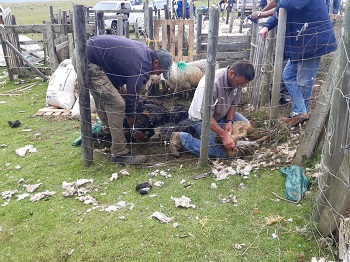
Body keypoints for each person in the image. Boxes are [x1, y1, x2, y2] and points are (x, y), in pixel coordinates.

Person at [85, 35, 172, 164]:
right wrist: (134, 130)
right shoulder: (142, 67)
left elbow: (116, 63)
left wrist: (119, 85)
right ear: (156, 62)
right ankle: (119, 153)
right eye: (160, 70)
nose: (158, 74)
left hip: (89, 53)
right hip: (88, 60)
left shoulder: (145, 53)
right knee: (117, 104)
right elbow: (131, 101)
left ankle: (110, 133)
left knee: (106, 97)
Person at [259, 0, 337, 126]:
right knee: (288, 75)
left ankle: (300, 114)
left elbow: (289, 4)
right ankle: (300, 112)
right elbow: (282, 10)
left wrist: (267, 11)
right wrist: (266, 25)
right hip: (301, 41)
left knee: (304, 82)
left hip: (312, 40)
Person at [170, 60, 255, 159]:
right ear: (231, 73)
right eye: (240, 83)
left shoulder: (237, 81)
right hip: (202, 119)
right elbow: (206, 116)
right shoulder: (212, 84)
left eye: (243, 85)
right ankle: (182, 138)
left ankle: (220, 133)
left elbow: (233, 103)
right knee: (220, 153)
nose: (241, 87)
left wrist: (229, 121)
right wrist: (224, 135)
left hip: (220, 115)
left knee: (246, 125)